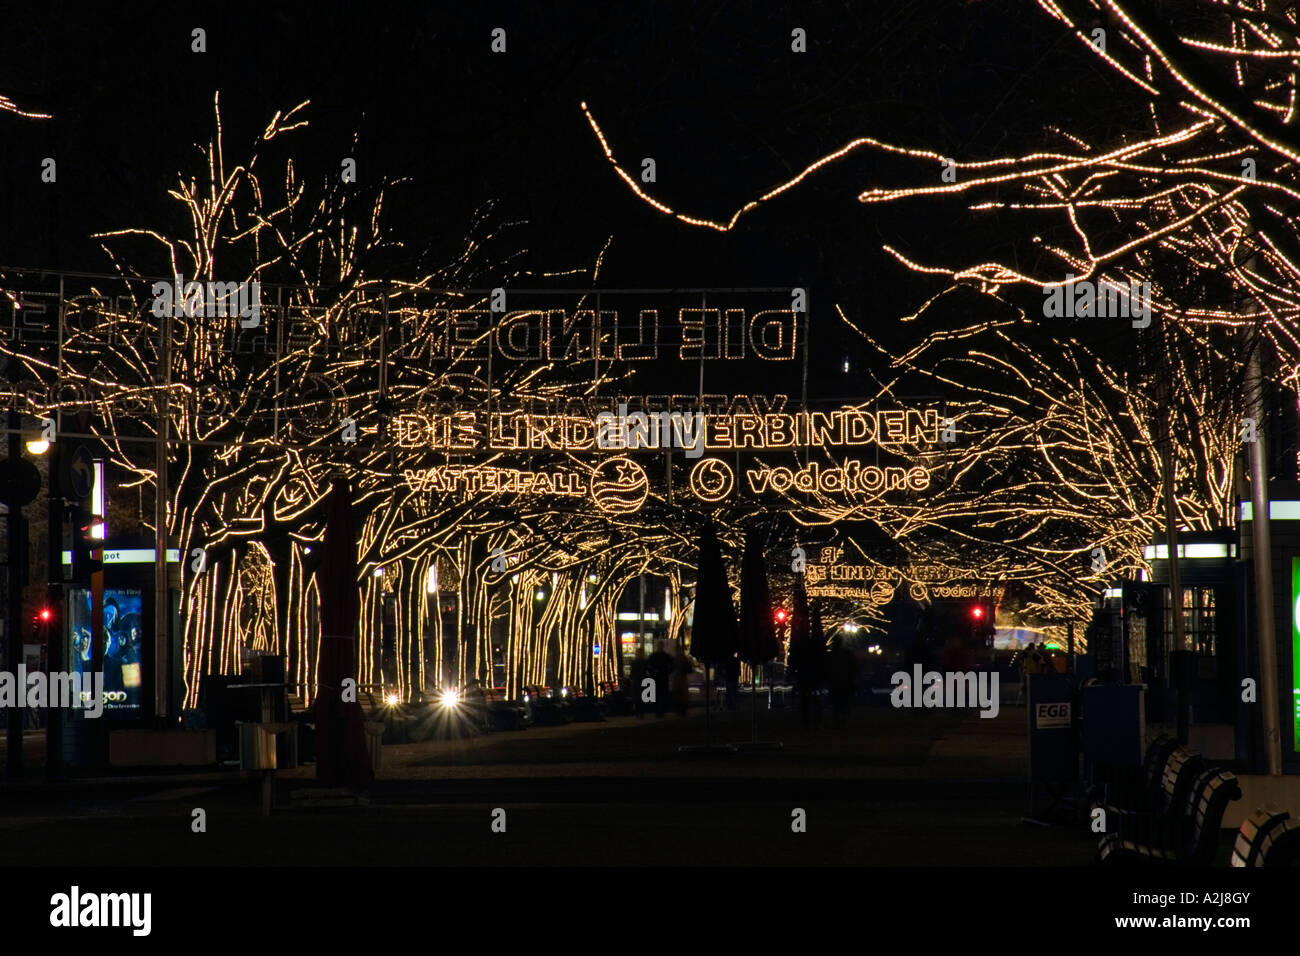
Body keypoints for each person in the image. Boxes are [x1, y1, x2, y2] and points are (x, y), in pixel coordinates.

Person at [827, 635, 858, 728]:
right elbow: (855, 667)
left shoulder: (831, 655)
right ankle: (843, 719)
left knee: (836, 703)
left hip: (835, 682)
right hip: (845, 682)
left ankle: (837, 720)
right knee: (844, 703)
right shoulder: (846, 654)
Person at [646, 642, 674, 718]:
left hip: (658, 678)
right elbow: (672, 666)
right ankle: (660, 711)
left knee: (659, 695)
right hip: (661, 678)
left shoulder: (654, 656)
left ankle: (659, 712)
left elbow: (648, 666)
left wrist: (653, 672)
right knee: (660, 695)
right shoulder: (665, 656)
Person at [629, 648, 648, 718]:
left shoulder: (634, 662)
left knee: (637, 697)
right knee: (640, 698)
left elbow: (632, 672)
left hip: (637, 681)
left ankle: (638, 712)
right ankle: (640, 712)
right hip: (641, 681)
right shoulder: (644, 662)